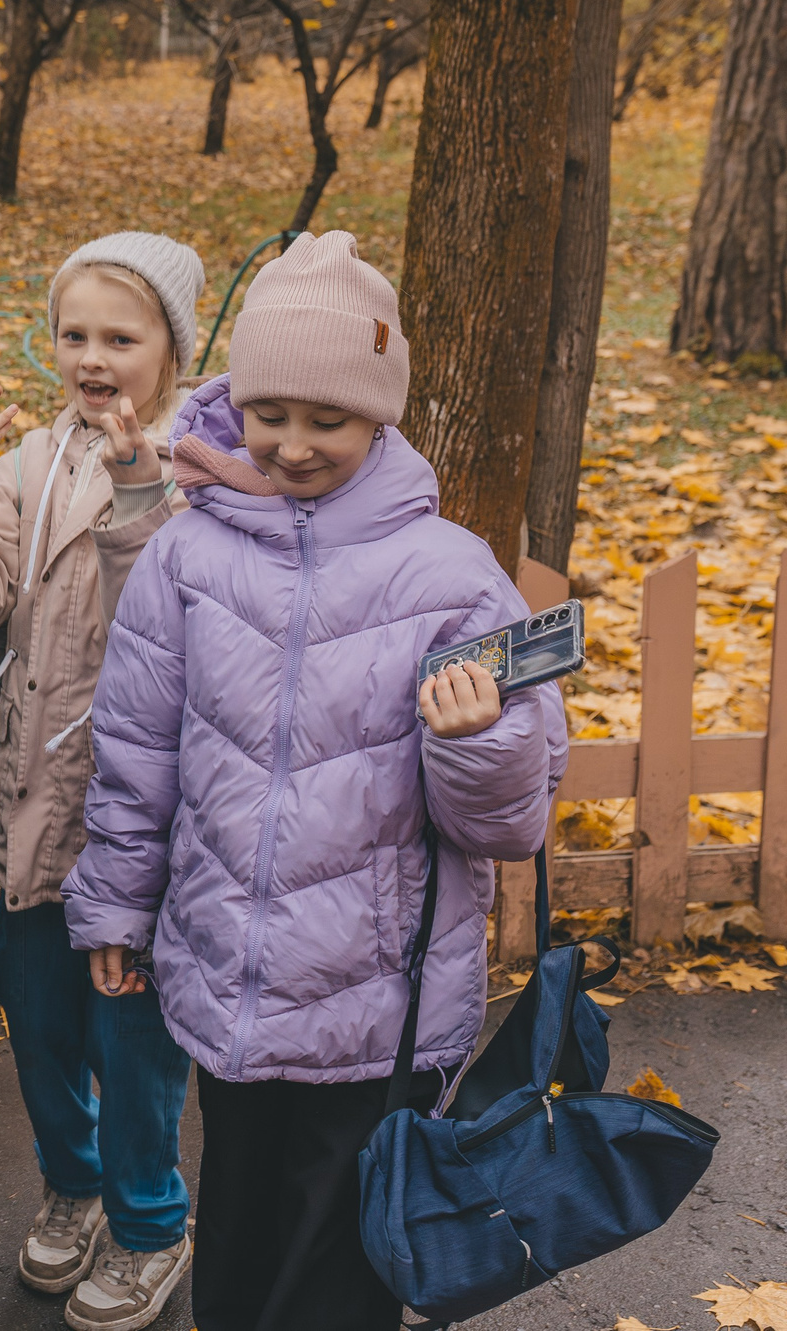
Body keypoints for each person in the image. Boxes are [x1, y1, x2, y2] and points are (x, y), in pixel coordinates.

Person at [64, 232, 568, 1331]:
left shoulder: (447, 576)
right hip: (229, 985)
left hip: (377, 1010)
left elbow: (509, 821)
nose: (292, 446)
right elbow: (138, 750)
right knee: (240, 1248)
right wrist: (113, 901)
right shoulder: (188, 558)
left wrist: (476, 740)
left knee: (336, 1274)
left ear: (379, 416)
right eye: (268, 412)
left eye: (326, 420)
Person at [0, 234, 204, 1331]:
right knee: (36, 1022)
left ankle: (151, 1225)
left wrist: (138, 489)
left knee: (128, 1041)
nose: (92, 358)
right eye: (74, 335)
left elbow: (170, 623)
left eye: (121, 338)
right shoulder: (30, 459)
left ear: (171, 353)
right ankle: (74, 1186)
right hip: (27, 806)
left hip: (131, 814)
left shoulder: (198, 464)